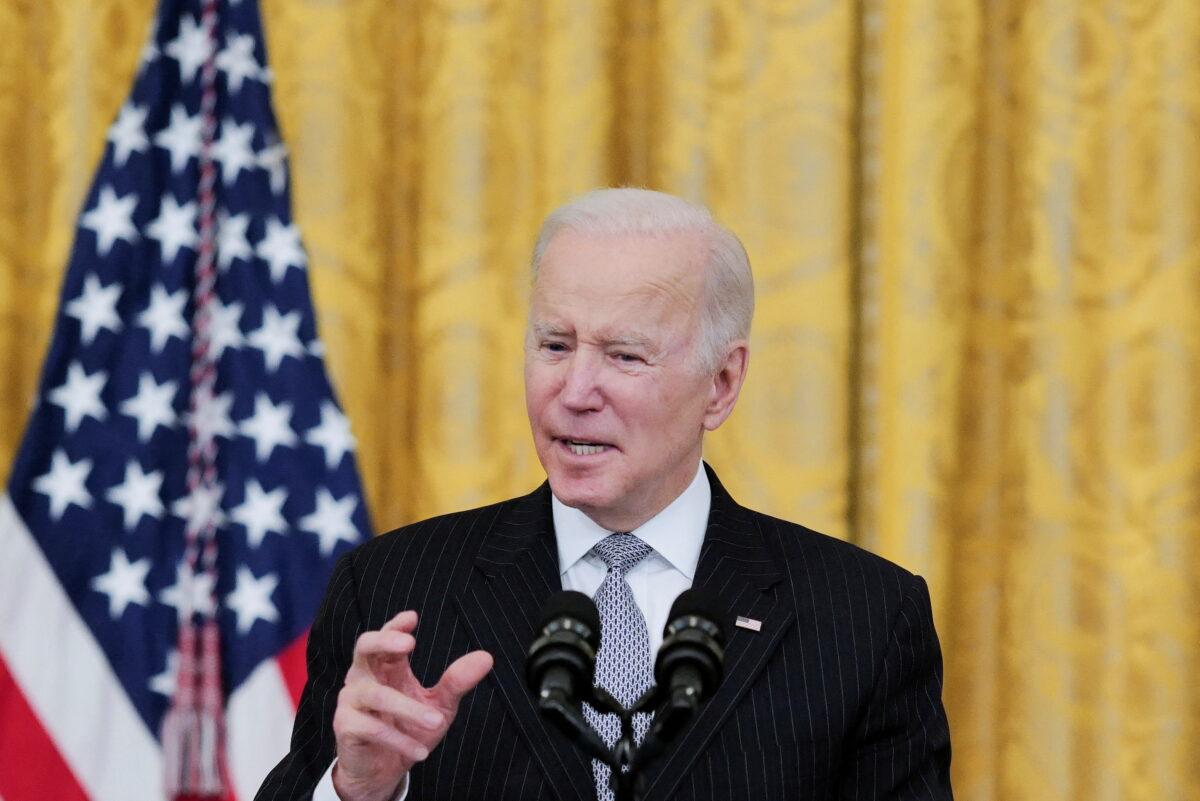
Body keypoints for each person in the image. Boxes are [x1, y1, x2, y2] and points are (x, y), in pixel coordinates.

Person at [255, 188, 953, 801]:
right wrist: (358, 789)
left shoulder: (864, 619)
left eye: (624, 355)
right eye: (555, 345)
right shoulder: (391, 590)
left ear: (721, 383)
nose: (575, 391)